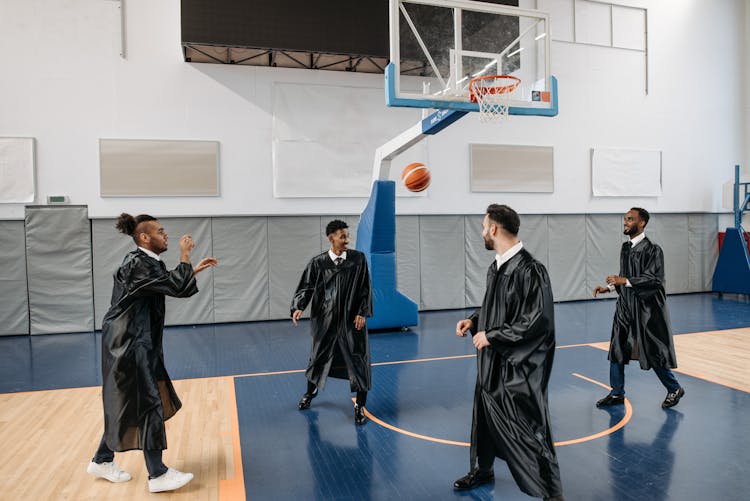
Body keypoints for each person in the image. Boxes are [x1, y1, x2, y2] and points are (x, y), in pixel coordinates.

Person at [87, 213, 217, 493]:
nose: (166, 234)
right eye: (160, 231)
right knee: (148, 403)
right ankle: (158, 474)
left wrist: (190, 271)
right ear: (145, 237)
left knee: (131, 404)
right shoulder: (138, 263)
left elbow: (167, 284)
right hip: (129, 344)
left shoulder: (145, 263)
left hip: (133, 342)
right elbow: (172, 286)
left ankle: (102, 459)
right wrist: (184, 256)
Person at [454, 204, 564, 501]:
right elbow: (496, 307)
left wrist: (492, 336)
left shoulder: (531, 270)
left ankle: (552, 493)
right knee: (486, 419)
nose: (481, 231)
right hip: (491, 363)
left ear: (494, 228)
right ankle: (483, 469)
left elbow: (537, 321)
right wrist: (475, 320)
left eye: (483, 226)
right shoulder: (497, 266)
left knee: (529, 431)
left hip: (517, 369)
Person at [593, 207, 684, 409]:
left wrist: (624, 280)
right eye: (624, 219)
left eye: (630, 219)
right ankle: (617, 393)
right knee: (617, 348)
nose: (625, 222)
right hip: (625, 306)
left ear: (641, 223)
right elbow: (623, 275)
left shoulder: (653, 250)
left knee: (652, 350)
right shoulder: (625, 248)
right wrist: (609, 288)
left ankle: (674, 388)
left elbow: (655, 279)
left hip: (646, 309)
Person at [291, 219, 373, 425]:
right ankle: (310, 393)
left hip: (351, 322)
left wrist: (362, 312)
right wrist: (299, 306)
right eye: (342, 236)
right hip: (325, 321)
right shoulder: (318, 263)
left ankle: (359, 406)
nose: (347, 240)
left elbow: (365, 288)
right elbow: (306, 287)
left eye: (347, 235)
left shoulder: (358, 259)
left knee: (358, 362)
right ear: (331, 238)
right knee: (317, 359)